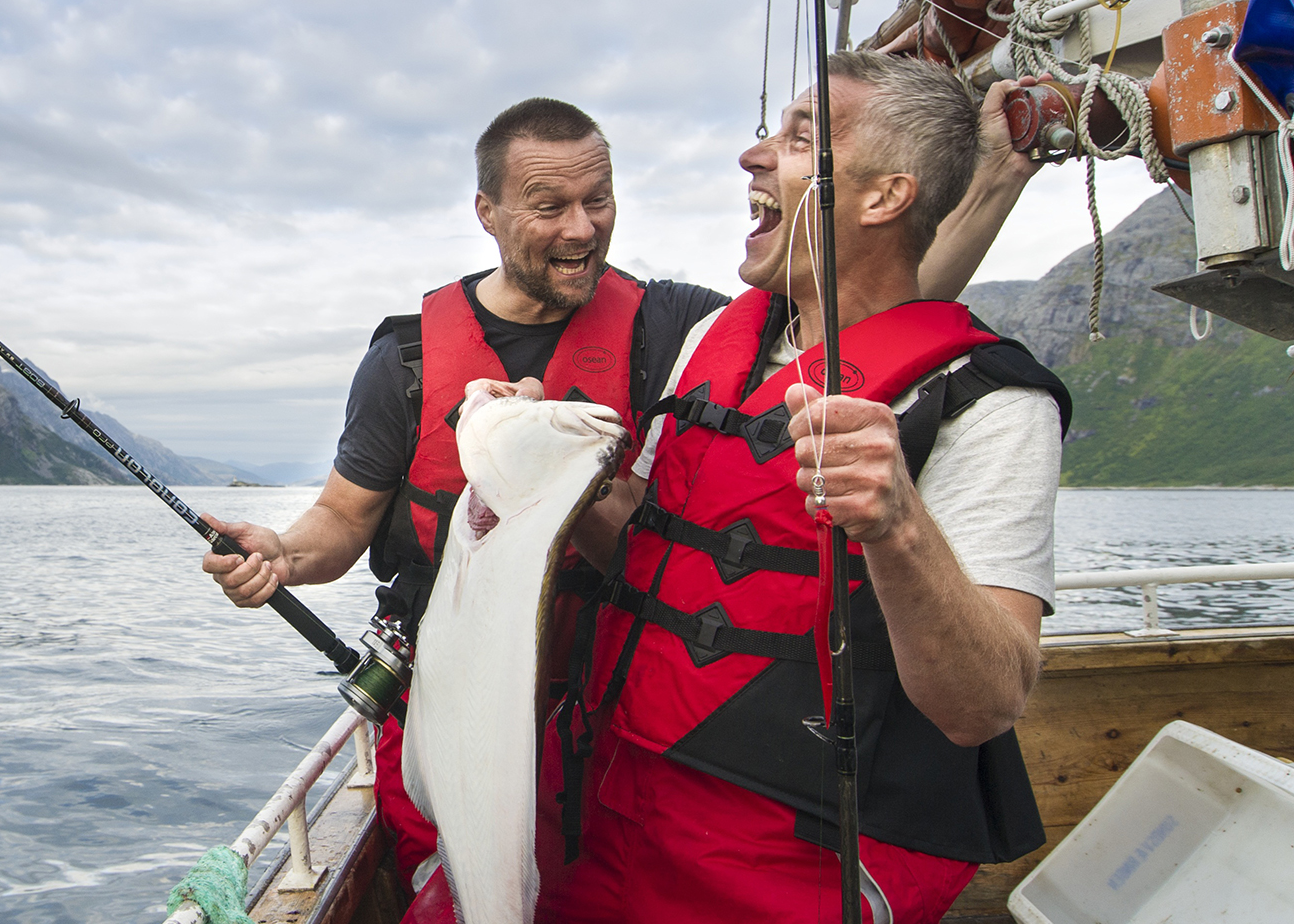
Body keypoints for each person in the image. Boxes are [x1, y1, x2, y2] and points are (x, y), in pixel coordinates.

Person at [201, 81, 1044, 909]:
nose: (582, 227)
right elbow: (344, 519)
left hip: (638, 744)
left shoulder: (678, 324)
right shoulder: (412, 359)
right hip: (525, 729)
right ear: (488, 213)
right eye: (548, 205)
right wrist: (285, 553)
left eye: (597, 199)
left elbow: (876, 304)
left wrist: (992, 184)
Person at [539, 52, 1067, 924]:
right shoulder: (715, 335)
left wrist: (897, 524)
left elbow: (987, 703)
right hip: (607, 793)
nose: (754, 156)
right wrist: (547, 466)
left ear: (883, 197)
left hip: (799, 851)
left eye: (798, 138)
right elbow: (638, 543)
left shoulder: (990, 401)